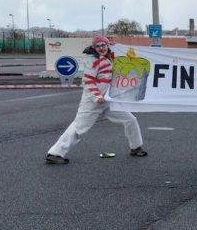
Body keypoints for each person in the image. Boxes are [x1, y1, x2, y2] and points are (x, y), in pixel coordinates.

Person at [45, 36, 147, 164]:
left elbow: (121, 54)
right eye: (98, 46)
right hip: (93, 102)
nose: (101, 48)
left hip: (108, 100)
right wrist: (96, 96)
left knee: (130, 120)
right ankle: (55, 153)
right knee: (79, 127)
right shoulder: (93, 60)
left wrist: (115, 45)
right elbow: (87, 81)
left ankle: (136, 147)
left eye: (103, 45)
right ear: (94, 48)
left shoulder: (109, 56)